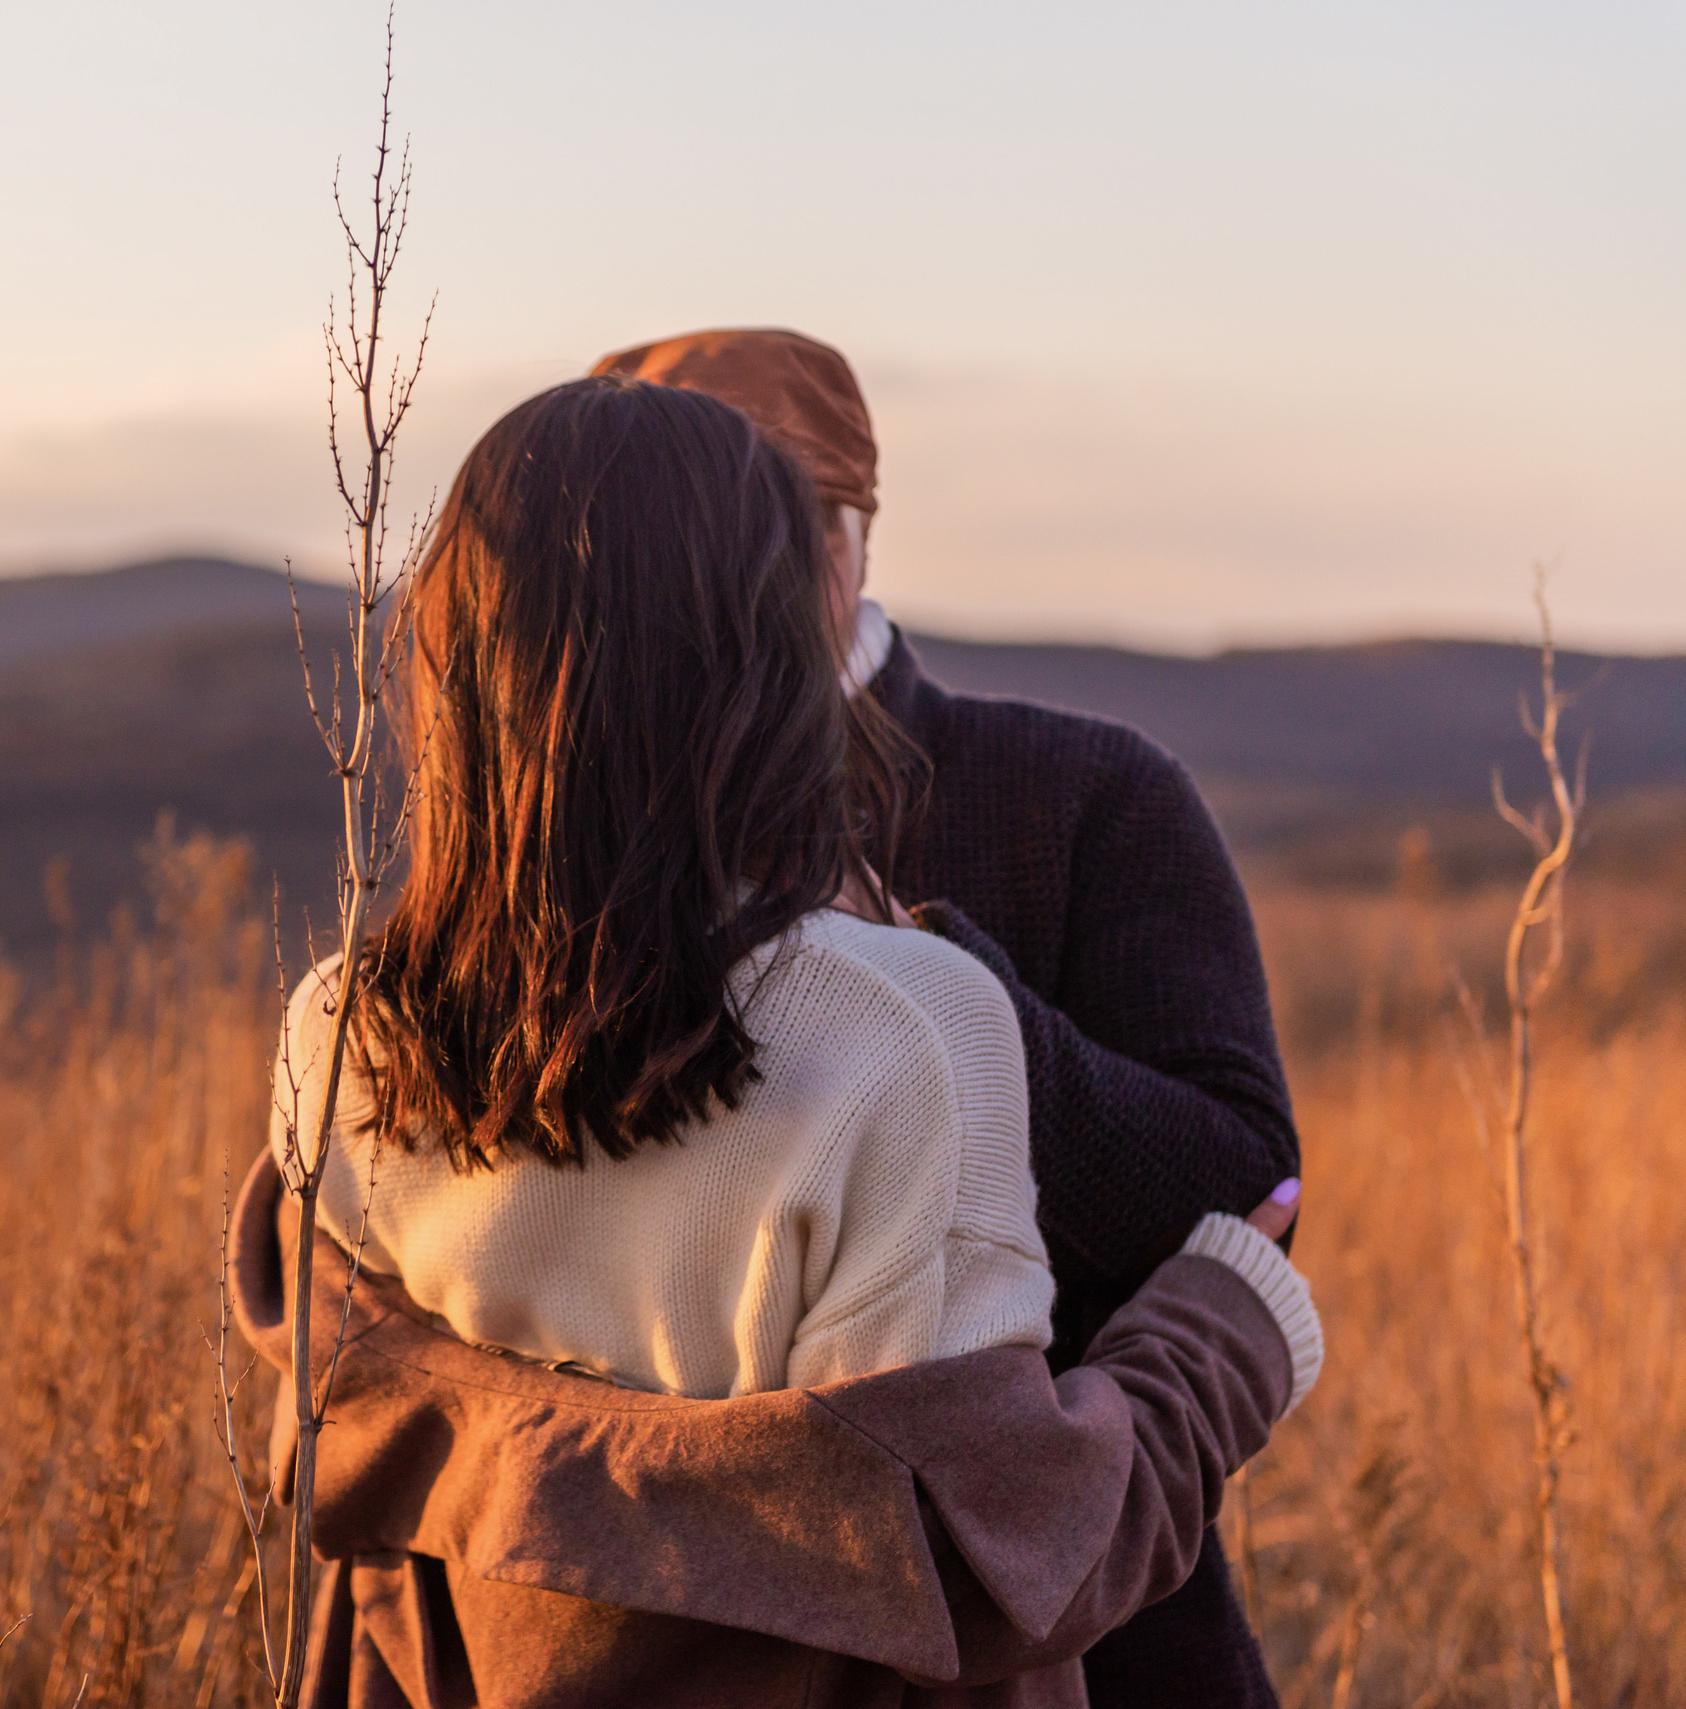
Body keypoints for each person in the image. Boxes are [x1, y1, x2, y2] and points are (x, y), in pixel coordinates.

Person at [245, 373, 1321, 1705]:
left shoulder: (331, 1036)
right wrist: (1222, 1332)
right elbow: (1004, 1561)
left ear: (454, 655)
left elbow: (406, 1447)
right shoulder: (902, 1036)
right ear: (771, 654)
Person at [580, 328, 1304, 1705]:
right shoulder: (559, 834)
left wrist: (950, 998)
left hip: (1079, 1627)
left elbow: (1250, 1190)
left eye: (768, 528)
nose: (723, 584)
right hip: (646, 1629)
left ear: (851, 532)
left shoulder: (1087, 790)